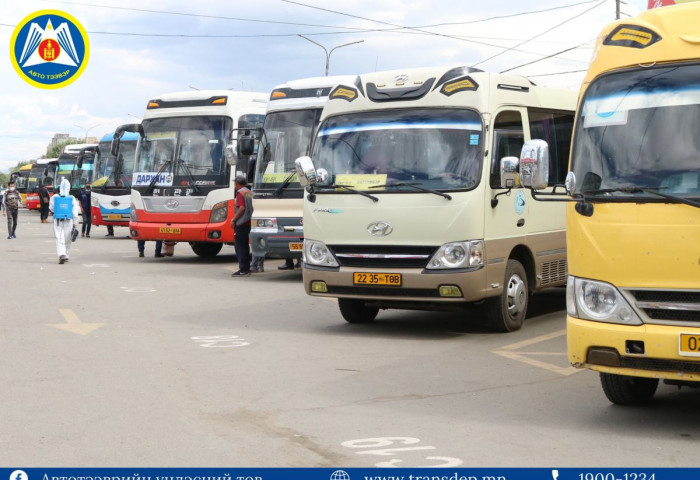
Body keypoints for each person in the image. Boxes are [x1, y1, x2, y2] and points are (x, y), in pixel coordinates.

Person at [49, 178, 80, 264]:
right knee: (68, 238)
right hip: (69, 220)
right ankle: (65, 254)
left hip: (58, 220)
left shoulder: (54, 197)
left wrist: (58, 211)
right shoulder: (72, 198)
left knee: (59, 237)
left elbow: (51, 208)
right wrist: (75, 223)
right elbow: (75, 212)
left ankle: (62, 254)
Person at [230, 175, 253, 277]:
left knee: (240, 247)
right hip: (249, 222)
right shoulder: (248, 192)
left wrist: (234, 219)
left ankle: (243, 270)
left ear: (236, 184)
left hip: (242, 223)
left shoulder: (240, 193)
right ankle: (246, 268)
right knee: (245, 246)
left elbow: (242, 208)